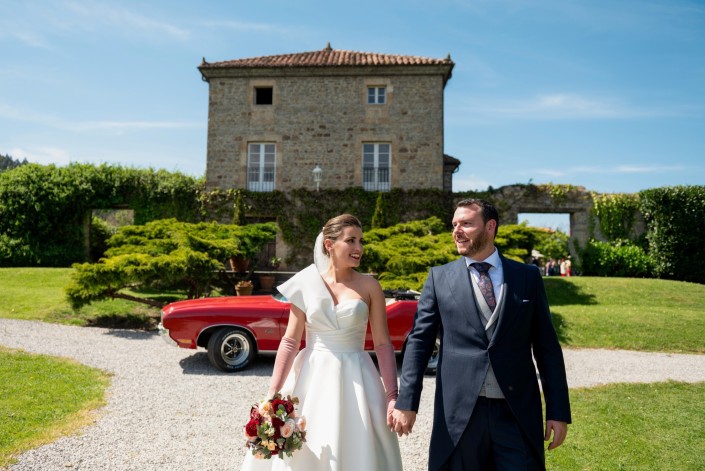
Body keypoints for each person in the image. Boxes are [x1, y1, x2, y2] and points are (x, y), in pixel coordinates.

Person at [392, 199, 571, 471]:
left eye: (466, 223)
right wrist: (407, 402)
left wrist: (558, 411)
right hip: (460, 414)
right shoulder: (439, 278)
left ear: (490, 227)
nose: (457, 231)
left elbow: (547, 348)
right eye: (454, 224)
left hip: (516, 412)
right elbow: (419, 343)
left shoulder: (527, 277)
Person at [240, 214, 403, 471]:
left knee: (357, 446)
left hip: (358, 377)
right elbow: (290, 341)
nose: (359, 248)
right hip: (311, 374)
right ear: (329, 244)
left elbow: (383, 344)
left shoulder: (370, 286)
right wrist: (272, 394)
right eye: (351, 241)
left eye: (361, 241)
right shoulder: (306, 284)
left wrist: (393, 396)